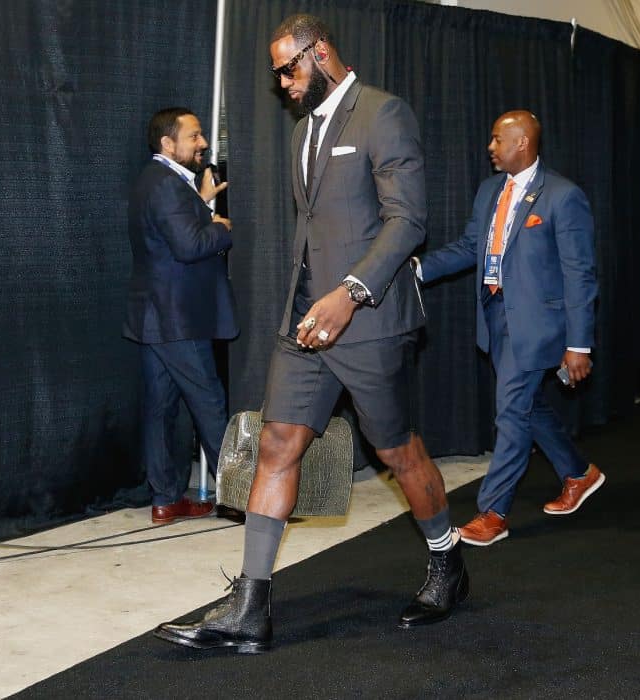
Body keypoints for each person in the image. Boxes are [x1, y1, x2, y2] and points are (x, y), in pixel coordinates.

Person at [154, 14, 468, 654]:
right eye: (276, 73)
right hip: (305, 320)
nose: (282, 82)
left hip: (369, 318)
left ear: (320, 51)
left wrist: (350, 292)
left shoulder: (382, 113)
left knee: (396, 451)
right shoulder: (303, 131)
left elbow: (407, 220)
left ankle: (448, 562)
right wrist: (307, 301)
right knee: (277, 442)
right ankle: (251, 607)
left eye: (288, 68)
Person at [414, 110, 604, 547]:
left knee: (512, 412)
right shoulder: (489, 191)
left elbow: (580, 274)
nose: (490, 148)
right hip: (496, 316)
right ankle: (579, 472)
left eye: (498, 139)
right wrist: (419, 269)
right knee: (527, 405)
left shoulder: (563, 196)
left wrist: (579, 344)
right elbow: (471, 247)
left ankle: (493, 512)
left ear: (522, 142)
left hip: (540, 324)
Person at [123, 108, 238, 524]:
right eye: (194, 136)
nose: (203, 143)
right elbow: (189, 246)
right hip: (177, 320)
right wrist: (222, 227)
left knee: (161, 408)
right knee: (209, 402)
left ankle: (166, 498)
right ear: (168, 143)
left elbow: (169, 234)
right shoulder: (166, 184)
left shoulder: (154, 180)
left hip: (155, 317)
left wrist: (201, 204)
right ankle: (242, 498)